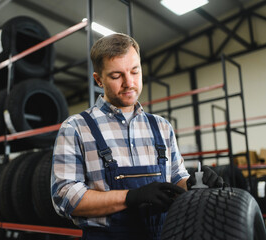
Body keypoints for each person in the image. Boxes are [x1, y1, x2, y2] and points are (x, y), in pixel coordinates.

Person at [51, 33, 223, 240]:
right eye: (116, 76)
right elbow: (65, 197)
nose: (129, 83)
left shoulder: (161, 126)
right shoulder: (76, 128)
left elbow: (176, 177)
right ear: (98, 80)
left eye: (135, 71)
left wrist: (195, 183)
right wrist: (131, 197)